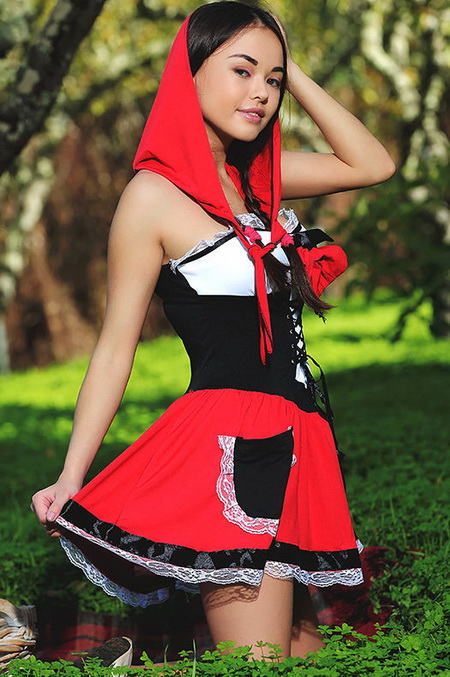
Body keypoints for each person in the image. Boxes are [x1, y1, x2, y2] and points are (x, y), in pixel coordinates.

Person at [31, 0, 395, 660]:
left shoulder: (260, 181)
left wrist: (293, 67)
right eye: (242, 70)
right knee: (260, 664)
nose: (262, 92)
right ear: (188, 73)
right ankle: (73, 643)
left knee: (316, 655)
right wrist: (72, 472)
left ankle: (117, 648)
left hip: (301, 443)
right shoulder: (152, 196)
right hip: (230, 447)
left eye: (273, 80)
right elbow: (114, 348)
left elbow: (372, 164)